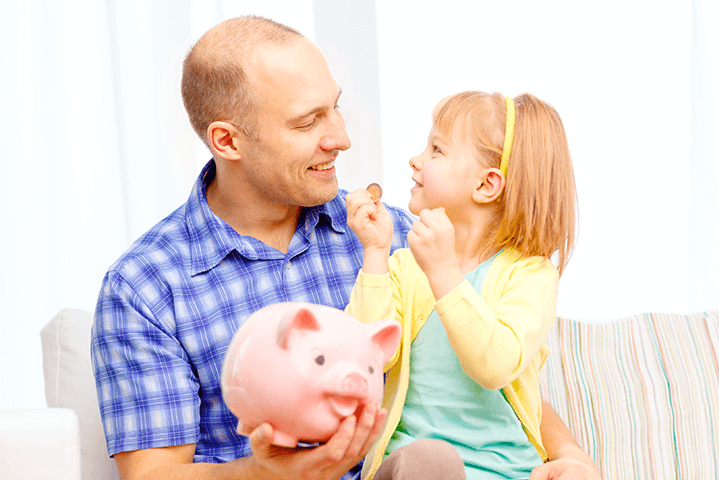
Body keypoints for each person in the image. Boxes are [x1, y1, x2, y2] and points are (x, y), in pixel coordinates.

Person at [90, 15, 601, 480]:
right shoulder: (145, 287)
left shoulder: (403, 237)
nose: (341, 138)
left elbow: (487, 374)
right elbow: (152, 475)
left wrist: (572, 457)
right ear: (228, 142)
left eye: (335, 107)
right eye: (308, 121)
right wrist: (265, 473)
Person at [344, 91, 579, 479]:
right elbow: (366, 357)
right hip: (415, 469)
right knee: (430, 460)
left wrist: (443, 273)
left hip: (508, 472)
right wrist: (375, 250)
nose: (416, 160)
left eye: (436, 149)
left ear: (487, 185)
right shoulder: (405, 265)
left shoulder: (530, 275)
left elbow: (496, 366)